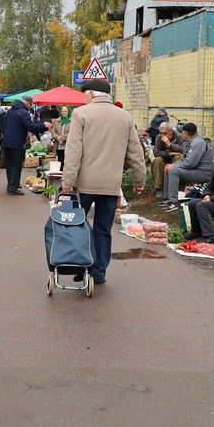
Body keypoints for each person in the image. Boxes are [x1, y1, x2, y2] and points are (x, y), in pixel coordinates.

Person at [60, 80, 147, 285]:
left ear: (91, 94)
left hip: (84, 184)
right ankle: (98, 273)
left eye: (85, 95)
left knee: (76, 225)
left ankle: (81, 264)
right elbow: (136, 152)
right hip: (110, 185)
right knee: (103, 229)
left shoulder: (80, 114)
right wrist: (139, 179)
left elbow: (74, 150)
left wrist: (68, 179)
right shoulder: (125, 116)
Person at [0, 97, 51, 195]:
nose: (31, 107)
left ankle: (12, 184)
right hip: (17, 142)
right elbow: (31, 127)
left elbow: (3, 124)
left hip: (7, 141)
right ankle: (12, 187)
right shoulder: (23, 112)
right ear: (27, 103)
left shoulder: (11, 110)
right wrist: (44, 125)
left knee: (9, 165)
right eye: (31, 104)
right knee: (16, 165)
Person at [160, 123, 214, 212]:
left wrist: (174, 167)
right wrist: (172, 165)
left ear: (186, 134)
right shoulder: (192, 142)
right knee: (169, 168)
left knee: (173, 170)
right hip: (196, 170)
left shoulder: (198, 143)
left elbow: (190, 163)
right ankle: (168, 198)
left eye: (182, 132)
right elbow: (183, 159)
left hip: (203, 173)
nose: (181, 134)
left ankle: (173, 203)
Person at [151, 122, 185, 198]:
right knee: (157, 160)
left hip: (175, 160)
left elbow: (184, 150)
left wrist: (170, 145)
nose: (163, 136)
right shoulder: (159, 137)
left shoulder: (180, 137)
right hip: (164, 158)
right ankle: (158, 187)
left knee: (178, 157)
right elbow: (156, 152)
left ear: (171, 131)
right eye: (161, 133)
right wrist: (170, 153)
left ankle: (173, 185)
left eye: (165, 133)